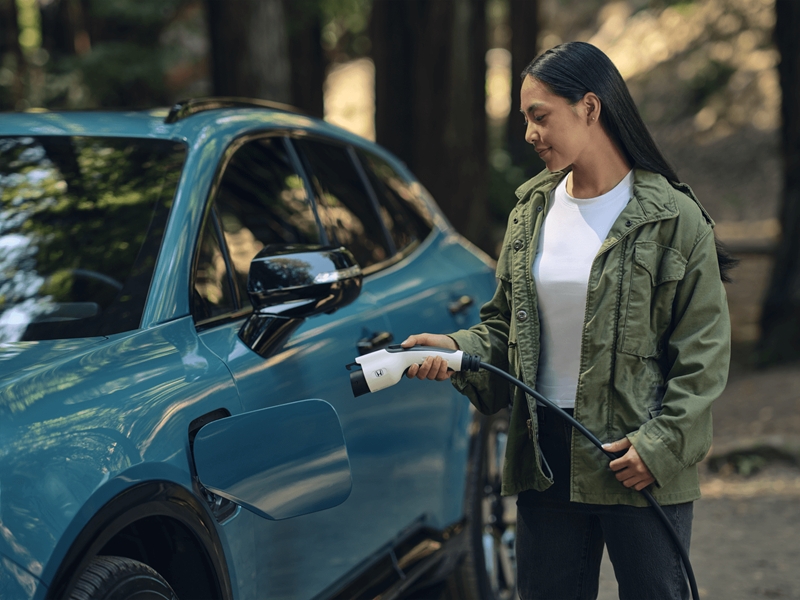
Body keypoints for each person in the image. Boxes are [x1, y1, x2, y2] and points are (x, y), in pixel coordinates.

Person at [402, 41, 732, 600]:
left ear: (590, 107)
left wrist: (660, 446)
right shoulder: (530, 213)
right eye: (526, 119)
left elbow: (703, 355)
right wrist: (456, 349)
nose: (530, 133)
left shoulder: (675, 218)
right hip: (545, 453)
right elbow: (506, 332)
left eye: (540, 116)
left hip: (637, 457)